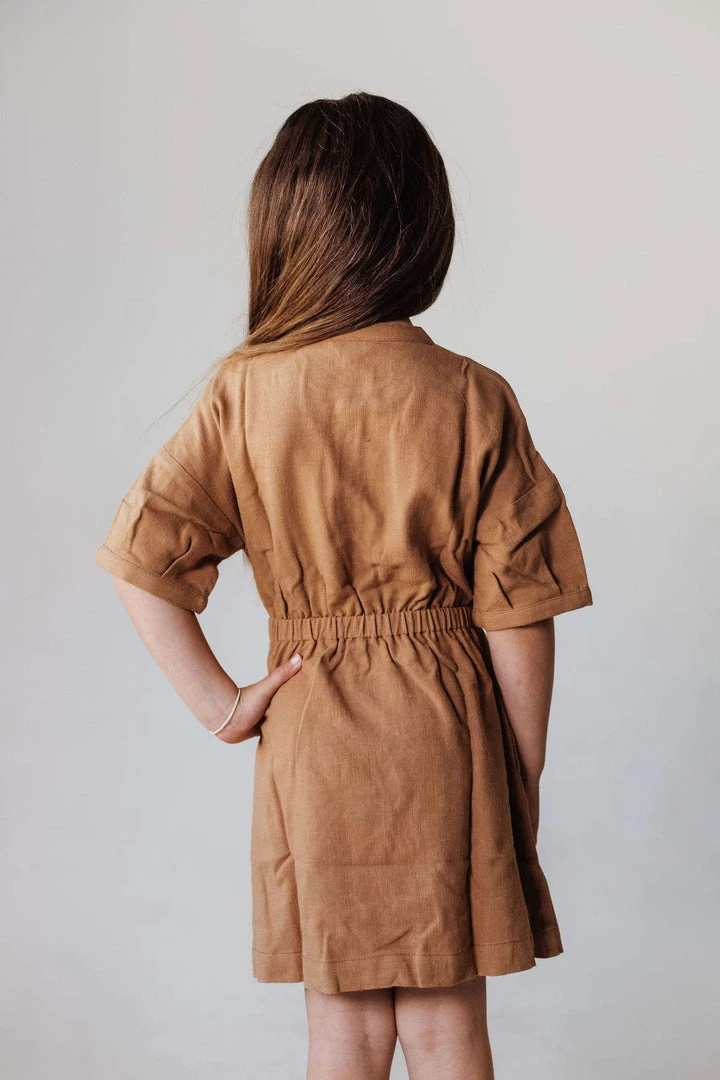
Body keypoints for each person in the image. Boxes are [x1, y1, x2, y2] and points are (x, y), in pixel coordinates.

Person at [93, 91, 593, 1080]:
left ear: (284, 234)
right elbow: (521, 617)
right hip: (449, 740)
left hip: (313, 739)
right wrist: (520, 774)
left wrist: (225, 706)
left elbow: (142, 559)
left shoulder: (245, 392)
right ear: (421, 229)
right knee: (449, 1029)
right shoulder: (473, 396)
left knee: (344, 1034)